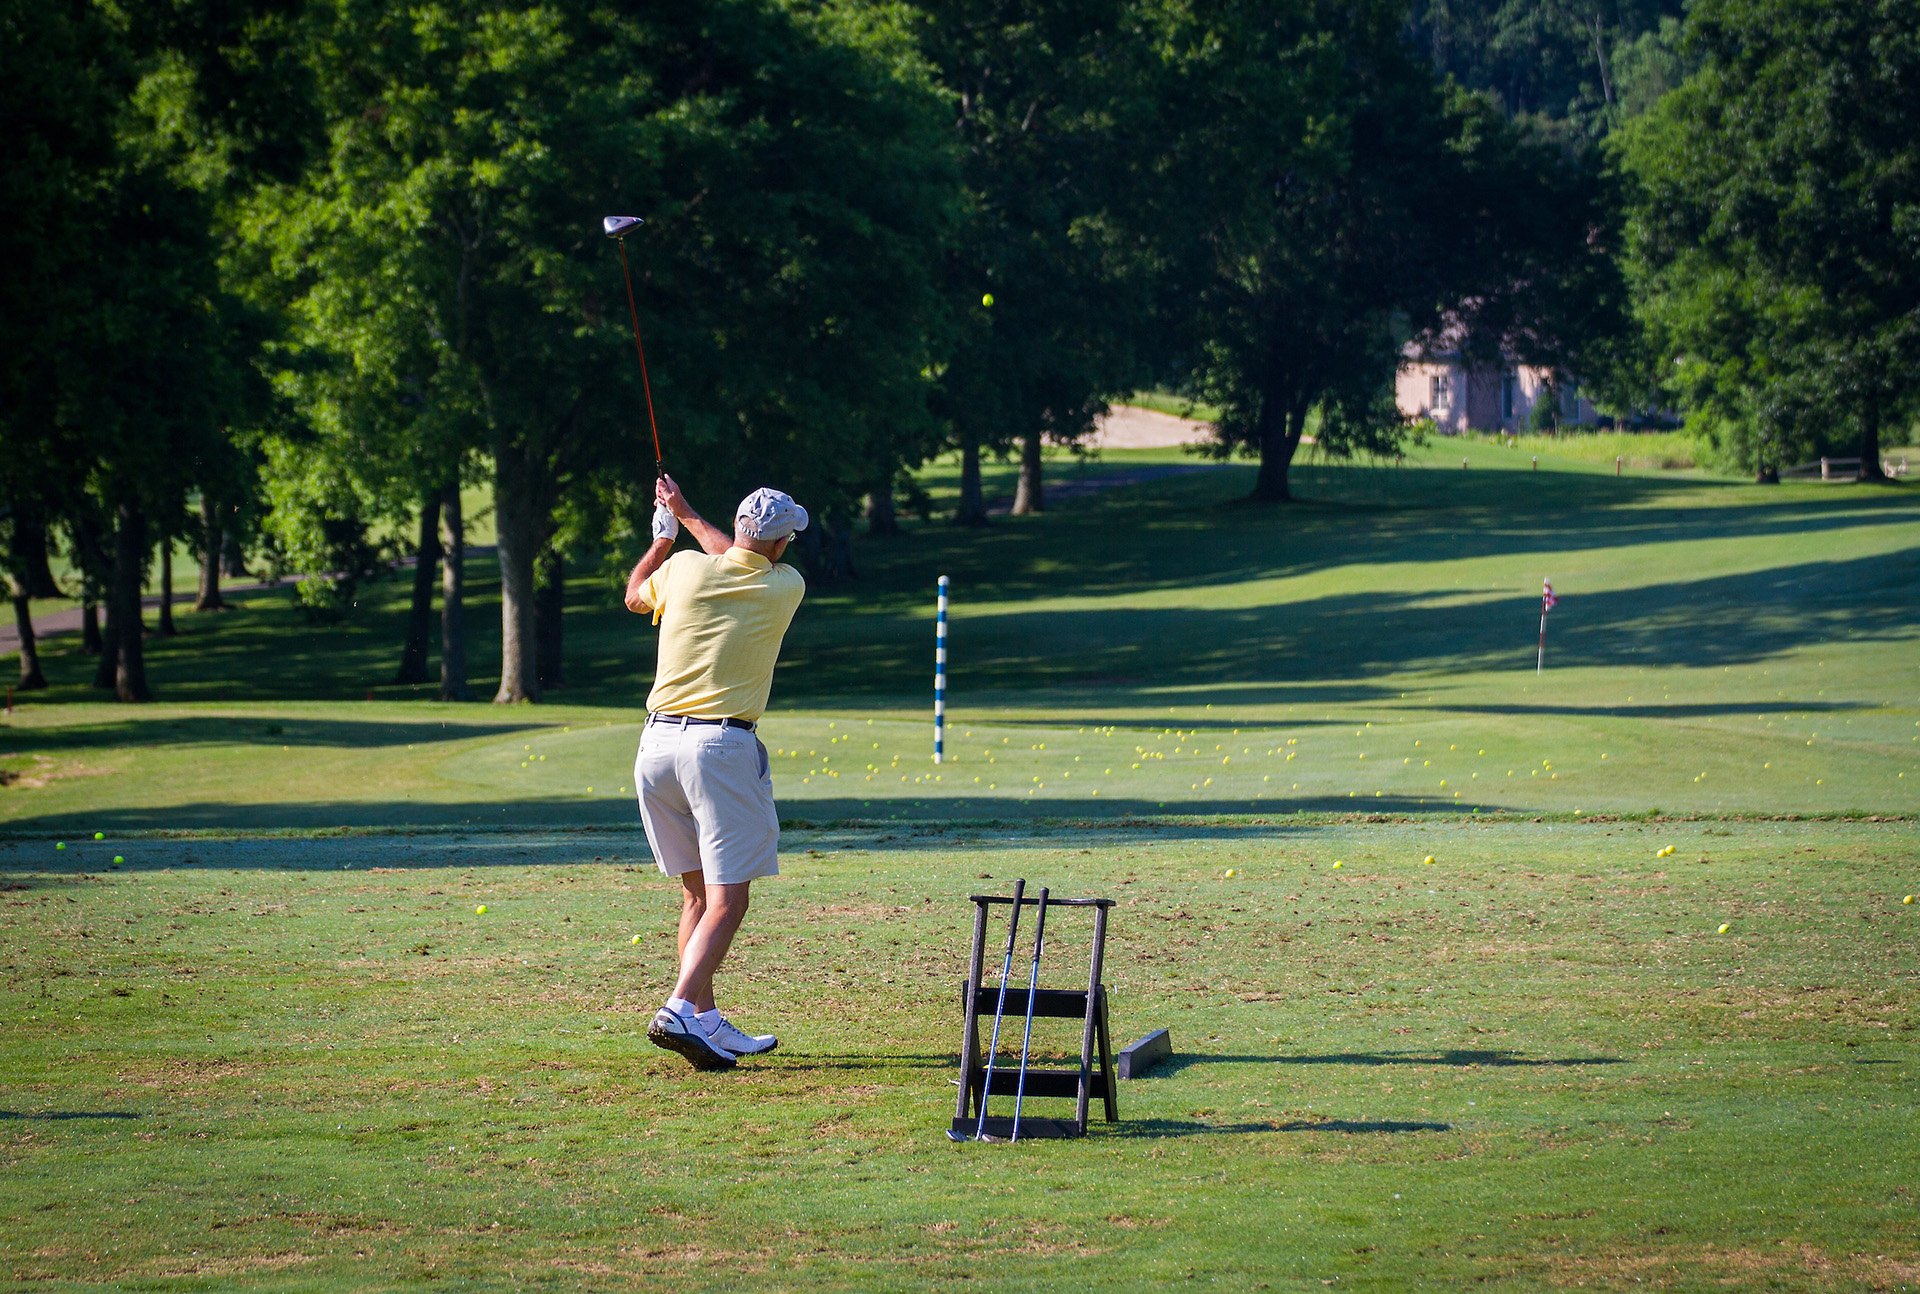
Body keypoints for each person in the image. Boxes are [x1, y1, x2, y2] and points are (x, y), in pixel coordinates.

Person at [624, 474, 808, 1071]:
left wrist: (664, 534)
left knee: (697, 894)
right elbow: (732, 552)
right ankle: (678, 1008)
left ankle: (703, 1021)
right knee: (729, 899)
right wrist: (689, 515)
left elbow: (634, 597)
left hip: (655, 748)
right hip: (719, 750)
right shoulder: (787, 586)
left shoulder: (680, 570)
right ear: (779, 545)